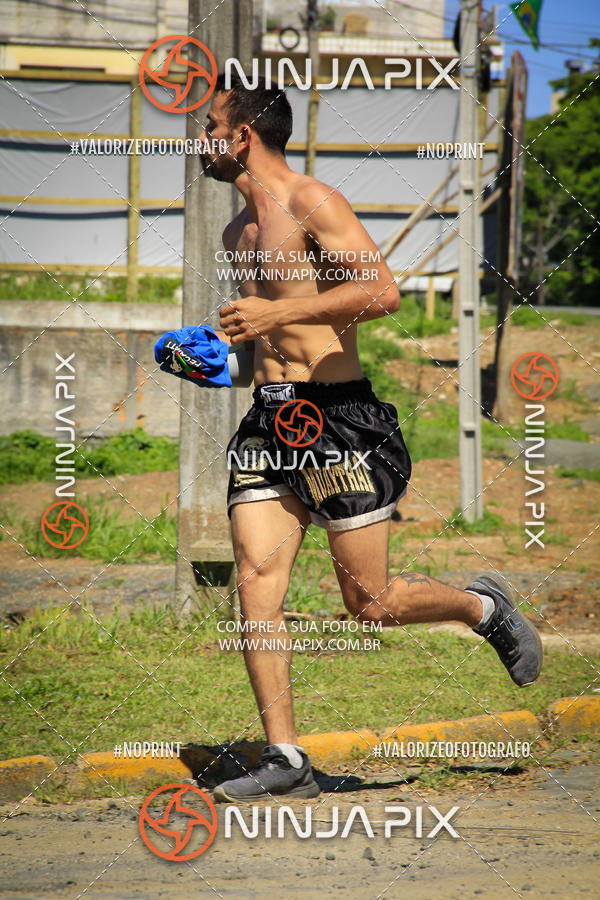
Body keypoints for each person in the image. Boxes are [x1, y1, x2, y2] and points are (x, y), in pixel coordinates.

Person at [197, 74, 542, 803]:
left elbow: (382, 292)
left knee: (372, 602)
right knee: (257, 586)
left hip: (337, 418)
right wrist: (217, 358)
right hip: (268, 420)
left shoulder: (313, 202)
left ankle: (483, 609)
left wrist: (270, 316)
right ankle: (287, 758)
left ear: (243, 136)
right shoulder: (237, 233)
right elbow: (269, 339)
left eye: (209, 127)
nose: (200, 141)